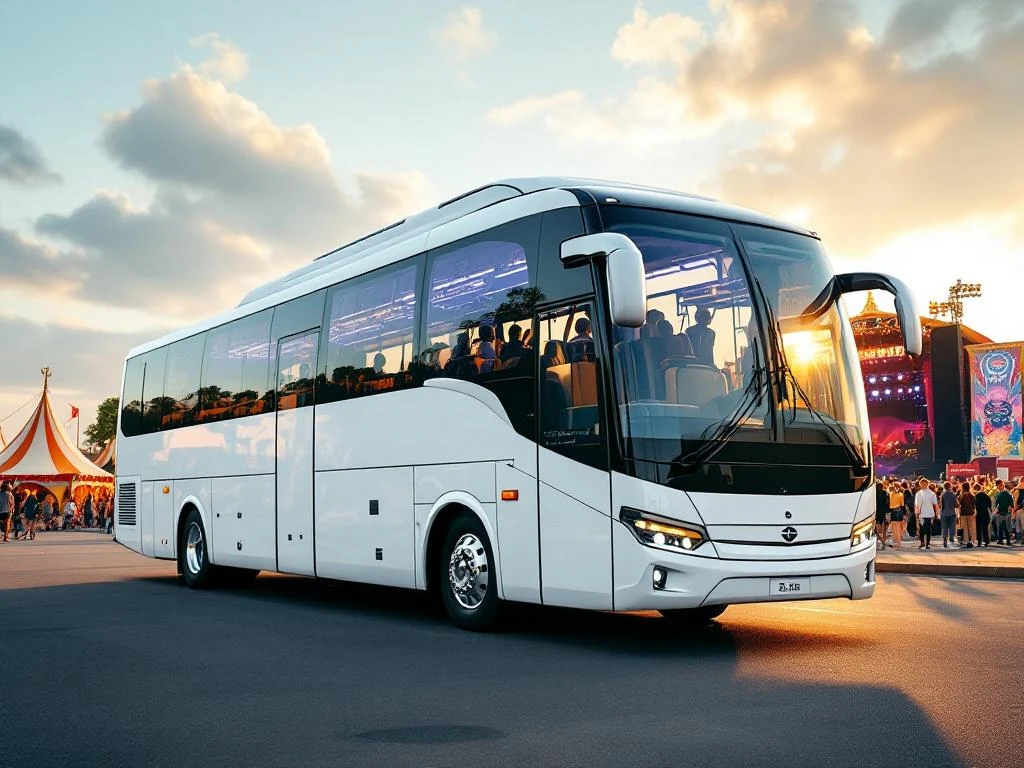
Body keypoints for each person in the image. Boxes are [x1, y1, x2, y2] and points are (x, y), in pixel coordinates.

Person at [915, 478, 938, 550]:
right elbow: (935, 504)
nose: (922, 485)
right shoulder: (932, 493)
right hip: (929, 514)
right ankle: (927, 544)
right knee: (928, 530)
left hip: (922, 514)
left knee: (922, 529)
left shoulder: (918, 493)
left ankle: (922, 543)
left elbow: (917, 505)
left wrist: (917, 514)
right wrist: (936, 514)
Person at [939, 481, 959, 548]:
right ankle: (951, 537)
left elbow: (940, 504)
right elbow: (957, 504)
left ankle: (945, 539)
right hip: (952, 513)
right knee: (952, 527)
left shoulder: (942, 494)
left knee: (944, 527)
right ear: (950, 486)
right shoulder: (953, 494)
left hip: (944, 513)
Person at [958, 482, 977, 549]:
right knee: (971, 528)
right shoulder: (972, 496)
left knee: (964, 528)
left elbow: (958, 505)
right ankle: (972, 541)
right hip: (971, 513)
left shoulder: (961, 496)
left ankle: (966, 541)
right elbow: (974, 505)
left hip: (963, 514)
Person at [888, 481, 906, 549]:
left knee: (894, 529)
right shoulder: (901, 494)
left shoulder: (890, 494)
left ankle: (895, 542)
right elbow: (902, 505)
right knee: (899, 529)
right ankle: (898, 543)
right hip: (899, 511)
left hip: (892, 512)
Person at [974, 483, 992, 547]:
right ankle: (986, 541)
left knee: (978, 529)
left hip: (978, 514)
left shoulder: (976, 496)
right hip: (985, 514)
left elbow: (974, 506)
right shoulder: (986, 496)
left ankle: (979, 542)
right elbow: (989, 505)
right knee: (985, 529)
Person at [875, 480, 889, 550]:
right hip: (882, 513)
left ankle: (881, 543)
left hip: (875, 513)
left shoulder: (875, 493)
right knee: (881, 529)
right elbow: (887, 503)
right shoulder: (885, 493)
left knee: (875, 530)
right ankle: (882, 543)